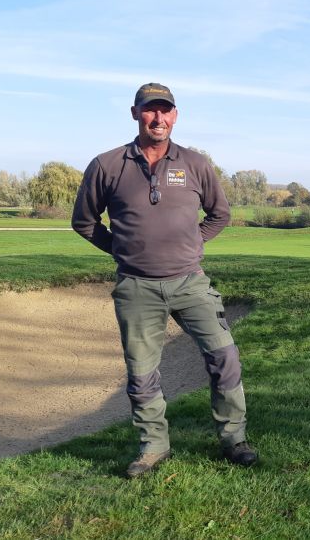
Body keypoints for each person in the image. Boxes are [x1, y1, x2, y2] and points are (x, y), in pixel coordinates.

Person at [72, 82, 257, 477]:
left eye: (166, 110)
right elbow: (85, 222)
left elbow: (220, 215)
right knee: (141, 373)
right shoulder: (107, 165)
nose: (159, 118)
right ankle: (153, 447)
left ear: (175, 115)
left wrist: (193, 243)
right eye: (150, 110)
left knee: (225, 358)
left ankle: (234, 438)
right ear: (135, 112)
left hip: (190, 283)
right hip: (137, 288)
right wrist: (122, 249)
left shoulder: (195, 163)